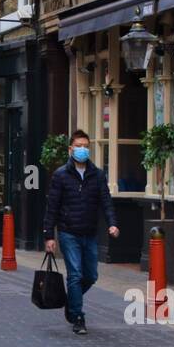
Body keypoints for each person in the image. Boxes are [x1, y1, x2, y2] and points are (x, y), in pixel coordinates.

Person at [42, 129, 119, 335]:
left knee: (91, 275)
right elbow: (52, 207)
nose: (82, 150)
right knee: (75, 275)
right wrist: (49, 235)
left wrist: (113, 223)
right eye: (78, 146)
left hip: (90, 232)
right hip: (68, 233)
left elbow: (106, 201)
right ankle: (77, 316)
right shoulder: (61, 175)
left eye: (86, 146)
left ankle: (71, 302)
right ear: (70, 149)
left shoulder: (98, 175)